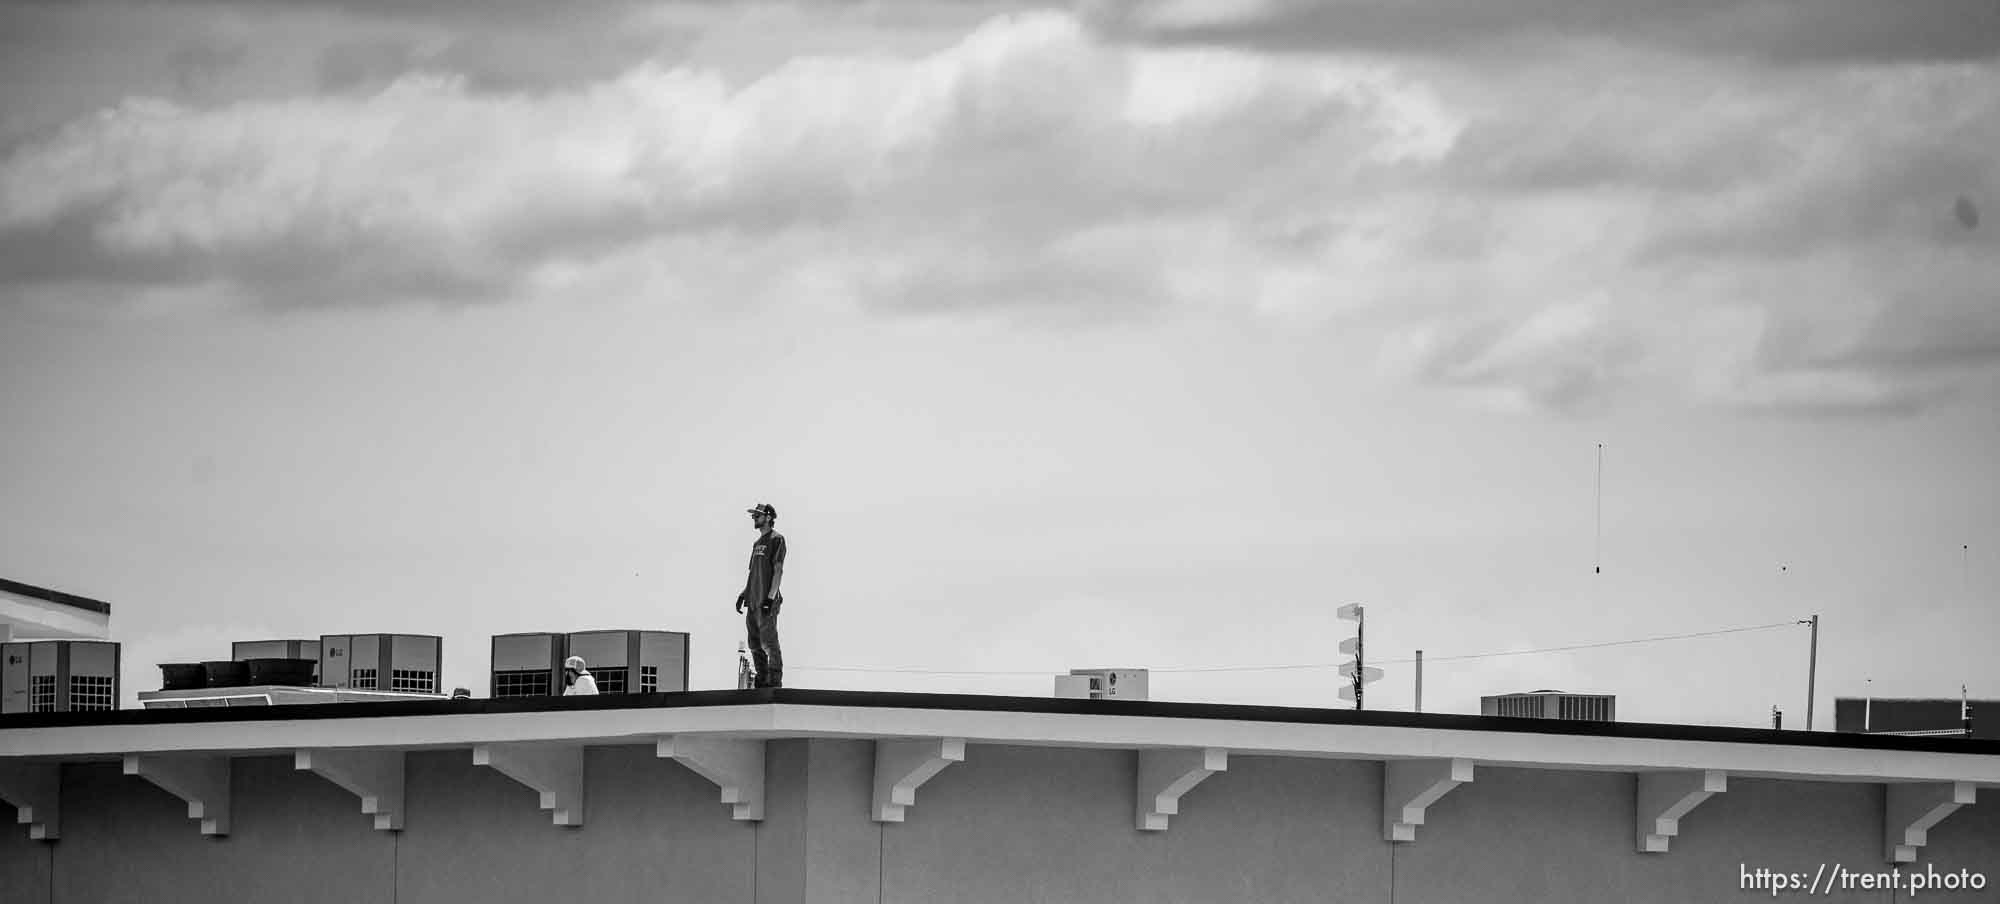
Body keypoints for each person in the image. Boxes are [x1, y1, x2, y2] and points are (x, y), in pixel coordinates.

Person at [736, 502, 787, 688]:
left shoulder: (777, 539)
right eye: (753, 516)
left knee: (769, 642)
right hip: (753, 600)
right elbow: (753, 572)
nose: (754, 519)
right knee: (754, 643)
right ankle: (762, 678)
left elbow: (778, 570)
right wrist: (744, 593)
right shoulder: (756, 543)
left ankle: (774, 679)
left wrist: (770, 598)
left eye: (757, 516)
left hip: (767, 601)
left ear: (768, 517)